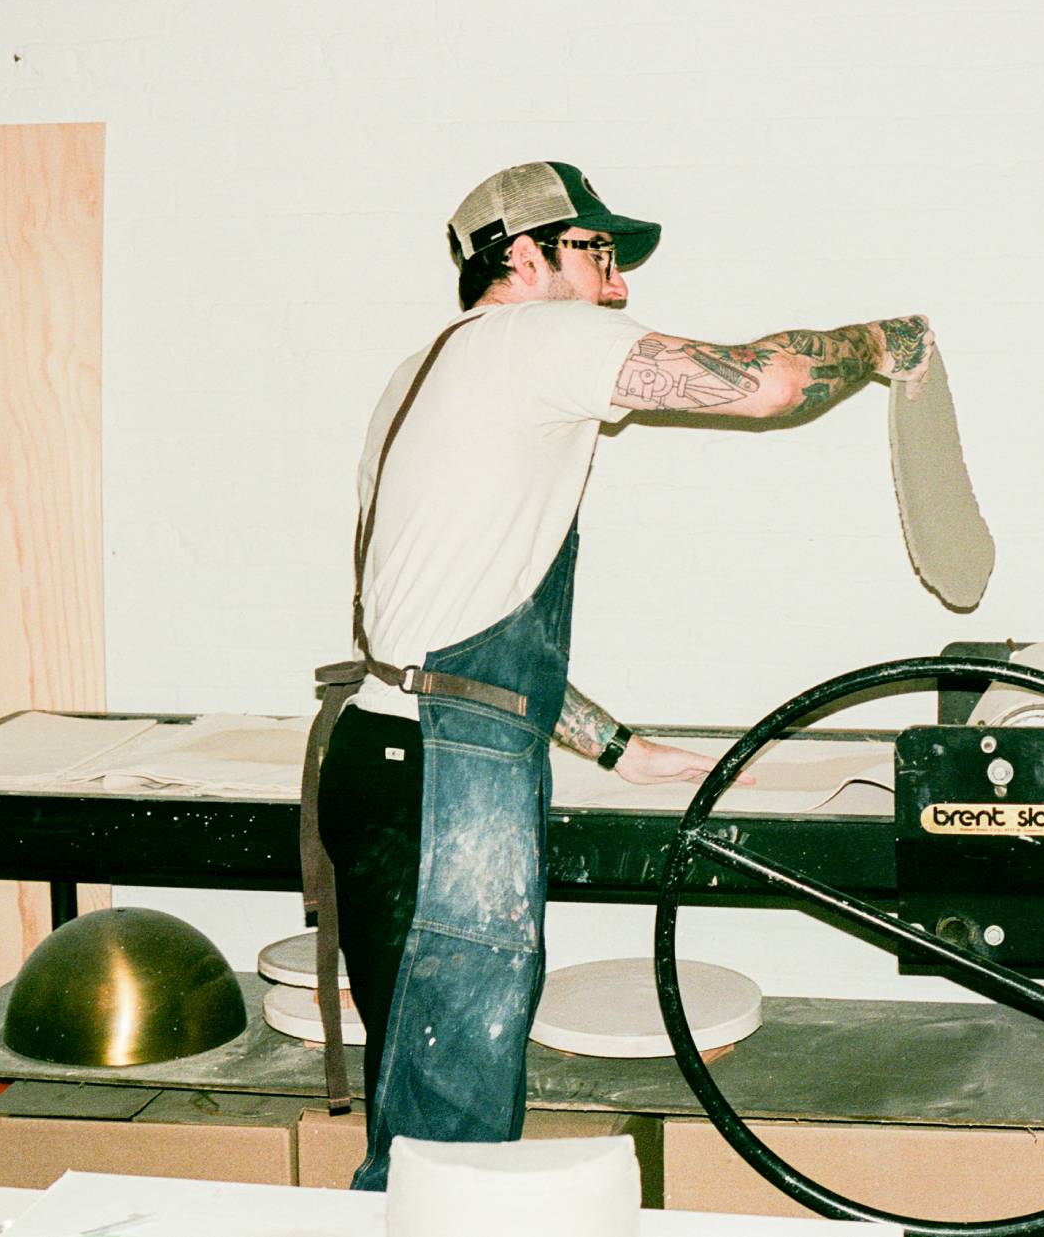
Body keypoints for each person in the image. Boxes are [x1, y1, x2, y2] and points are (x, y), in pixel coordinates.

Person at [314, 160, 934, 1189]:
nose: (619, 285)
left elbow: (451, 625)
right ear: (523, 257)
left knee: (418, 1119)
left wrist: (610, 744)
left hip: (386, 751)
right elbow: (770, 382)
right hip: (444, 775)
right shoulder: (532, 339)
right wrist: (885, 343)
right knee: (451, 1129)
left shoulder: (430, 364)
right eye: (598, 254)